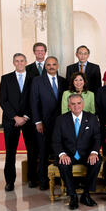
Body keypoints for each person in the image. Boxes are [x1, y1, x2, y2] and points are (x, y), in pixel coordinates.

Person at [52, 94, 101, 210]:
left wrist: (94, 152)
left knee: (96, 162)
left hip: (87, 153)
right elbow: (55, 141)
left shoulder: (92, 118)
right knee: (63, 164)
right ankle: (72, 195)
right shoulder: (61, 119)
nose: (76, 106)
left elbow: (97, 138)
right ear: (69, 106)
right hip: (69, 154)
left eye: (79, 103)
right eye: (73, 104)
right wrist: (62, 154)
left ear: (83, 104)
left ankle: (86, 194)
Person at [0, 53, 38, 191]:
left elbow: (35, 99)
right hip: (11, 121)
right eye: (17, 61)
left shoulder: (34, 79)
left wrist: (26, 117)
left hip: (29, 119)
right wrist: (15, 117)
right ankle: (9, 181)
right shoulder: (6, 78)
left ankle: (33, 179)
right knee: (10, 152)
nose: (20, 63)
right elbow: (2, 100)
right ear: (13, 63)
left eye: (22, 61)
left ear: (26, 62)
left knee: (32, 151)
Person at [31, 56, 67, 190]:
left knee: (60, 151)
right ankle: (43, 181)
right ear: (45, 66)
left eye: (54, 64)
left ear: (57, 66)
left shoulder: (63, 81)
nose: (51, 67)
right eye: (48, 65)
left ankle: (61, 179)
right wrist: (38, 121)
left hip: (61, 123)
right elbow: (34, 102)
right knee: (43, 152)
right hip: (44, 123)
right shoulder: (37, 81)